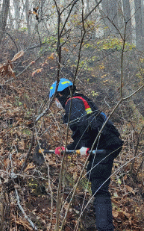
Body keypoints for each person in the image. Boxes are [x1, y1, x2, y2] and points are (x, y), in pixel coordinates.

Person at [49, 78, 124, 231]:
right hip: (105, 143)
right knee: (94, 176)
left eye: (55, 98)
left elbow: (83, 129)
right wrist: (68, 148)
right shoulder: (80, 100)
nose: (56, 102)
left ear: (60, 94)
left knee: (99, 188)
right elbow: (86, 132)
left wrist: (76, 147)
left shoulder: (73, 103)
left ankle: (105, 228)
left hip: (104, 145)